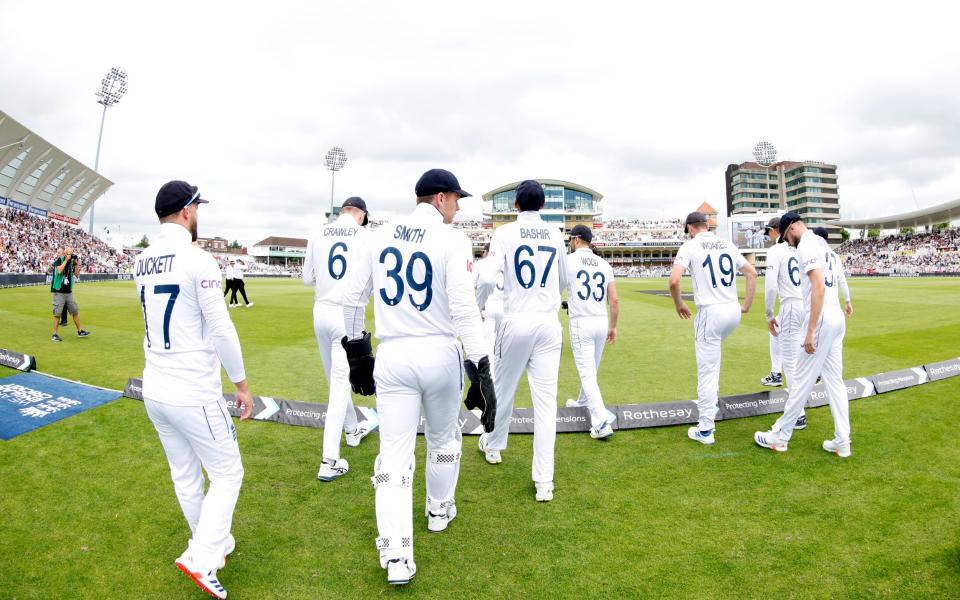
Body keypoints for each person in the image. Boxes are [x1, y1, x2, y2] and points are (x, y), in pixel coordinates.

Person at [341, 168, 495, 585]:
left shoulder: (378, 235)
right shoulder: (452, 239)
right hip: (439, 351)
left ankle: (396, 555)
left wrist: (357, 352)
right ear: (441, 198)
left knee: (394, 454)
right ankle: (438, 510)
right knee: (445, 439)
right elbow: (464, 307)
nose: (459, 207)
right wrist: (481, 365)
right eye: (457, 199)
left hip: (393, 354)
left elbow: (353, 299)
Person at [134, 180, 254, 599]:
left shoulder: (141, 260)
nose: (199, 214)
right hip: (192, 389)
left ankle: (213, 545)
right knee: (227, 473)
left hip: (155, 386)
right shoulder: (198, 260)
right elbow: (221, 328)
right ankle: (201, 556)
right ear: (186, 211)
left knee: (186, 475)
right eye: (197, 207)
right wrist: (241, 384)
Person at [476, 179, 567, 502]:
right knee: (546, 404)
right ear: (542, 206)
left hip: (515, 319)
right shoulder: (556, 234)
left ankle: (494, 445)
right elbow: (564, 278)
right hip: (547, 322)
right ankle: (544, 482)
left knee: (503, 389)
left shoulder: (505, 233)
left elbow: (487, 275)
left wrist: (480, 303)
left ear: (516, 205)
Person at [754, 213, 852, 457]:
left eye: (788, 236)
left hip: (821, 318)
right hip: (835, 316)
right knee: (834, 381)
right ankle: (843, 441)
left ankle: (780, 435)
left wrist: (810, 330)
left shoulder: (807, 243)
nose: (788, 242)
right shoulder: (823, 245)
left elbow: (817, 286)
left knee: (800, 379)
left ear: (794, 227)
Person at [303, 196, 378, 482]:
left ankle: (352, 430)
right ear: (361, 215)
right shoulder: (366, 237)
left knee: (336, 379)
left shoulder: (318, 231)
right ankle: (329, 460)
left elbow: (307, 279)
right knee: (339, 385)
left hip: (320, 310)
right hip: (347, 314)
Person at [669, 211, 757, 445]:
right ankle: (712, 406)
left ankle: (706, 428)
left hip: (711, 311)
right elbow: (752, 273)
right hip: (732, 311)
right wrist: (746, 306)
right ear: (706, 225)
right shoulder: (726, 243)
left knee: (707, 370)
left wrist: (679, 303)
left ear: (690, 227)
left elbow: (674, 280)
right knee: (713, 361)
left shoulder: (690, 246)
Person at [561, 224, 619, 440]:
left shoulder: (568, 261)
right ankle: (583, 402)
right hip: (601, 320)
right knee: (591, 369)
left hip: (581, 321)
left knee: (587, 372)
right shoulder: (604, 264)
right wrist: (613, 326)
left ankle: (601, 421)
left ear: (576, 240)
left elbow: (556, 288)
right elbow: (613, 299)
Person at [471, 242, 504, 376]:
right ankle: (500, 376)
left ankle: (490, 379)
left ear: (486, 252)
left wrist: (477, 307)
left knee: (488, 347)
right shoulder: (503, 265)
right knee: (501, 347)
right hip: (504, 309)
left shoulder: (480, 264)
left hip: (488, 308)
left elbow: (471, 285)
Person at [50, 246, 90, 341]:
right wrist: (66, 260)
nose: (70, 255)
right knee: (57, 314)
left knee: (75, 311)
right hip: (59, 291)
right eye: (68, 253)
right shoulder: (59, 260)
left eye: (71, 253)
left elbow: (77, 275)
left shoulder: (72, 262)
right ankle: (54, 334)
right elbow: (59, 270)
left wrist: (76, 264)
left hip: (69, 292)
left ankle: (80, 331)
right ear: (65, 253)